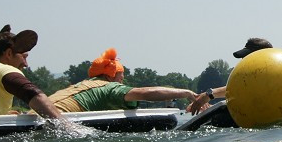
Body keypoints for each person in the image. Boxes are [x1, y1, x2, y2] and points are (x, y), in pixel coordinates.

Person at [49, 48, 198, 112]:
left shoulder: (79, 85)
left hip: (35, 113)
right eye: (121, 74)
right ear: (110, 76)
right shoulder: (108, 87)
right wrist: (186, 93)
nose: (123, 78)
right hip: (55, 119)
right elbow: (144, 93)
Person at [186, 37, 273, 114]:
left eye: (247, 57)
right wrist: (203, 100)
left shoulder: (271, 74)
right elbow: (240, 88)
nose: (243, 60)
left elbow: (244, 87)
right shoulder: (247, 77)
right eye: (243, 58)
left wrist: (209, 95)